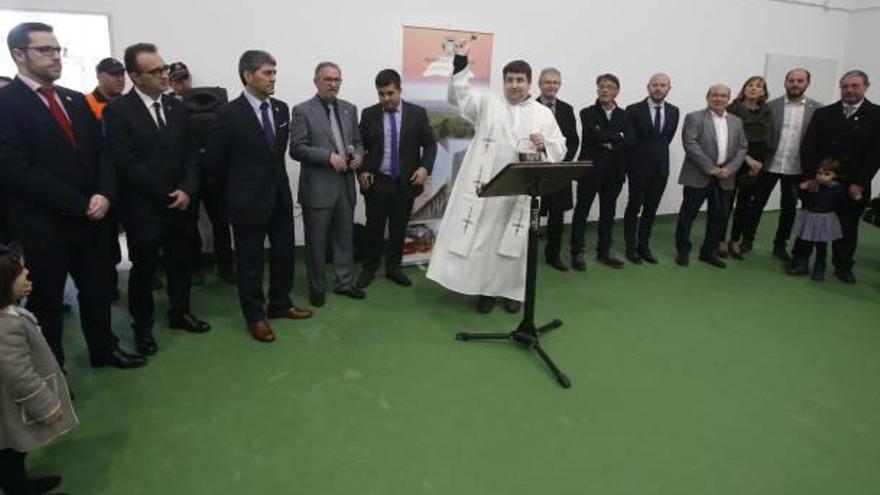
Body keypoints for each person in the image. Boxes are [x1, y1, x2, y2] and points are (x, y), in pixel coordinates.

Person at [0, 22, 144, 369]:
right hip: (43, 225)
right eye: (44, 50)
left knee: (97, 291)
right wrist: (81, 203)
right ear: (19, 54)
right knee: (48, 302)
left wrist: (104, 194)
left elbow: (103, 155)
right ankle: (54, 369)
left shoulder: (74, 100)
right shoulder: (6, 104)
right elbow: (18, 170)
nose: (54, 57)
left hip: (93, 219)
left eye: (57, 49)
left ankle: (104, 349)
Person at [426, 39, 566, 314]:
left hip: (520, 190)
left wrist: (545, 145)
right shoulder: (488, 102)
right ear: (503, 82)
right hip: (488, 187)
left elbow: (560, 147)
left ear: (529, 83)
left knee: (514, 244)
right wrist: (462, 62)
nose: (514, 85)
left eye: (520, 80)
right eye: (510, 80)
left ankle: (513, 292)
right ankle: (486, 291)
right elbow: (459, 97)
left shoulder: (542, 114)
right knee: (485, 242)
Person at [103, 42, 210, 357]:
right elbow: (125, 162)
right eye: (156, 71)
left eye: (164, 69)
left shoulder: (180, 107)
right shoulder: (118, 112)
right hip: (143, 207)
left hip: (181, 204)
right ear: (135, 77)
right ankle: (143, 327)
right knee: (144, 270)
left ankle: (180, 313)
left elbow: (193, 154)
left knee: (181, 263)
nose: (165, 75)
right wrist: (165, 193)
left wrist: (188, 189)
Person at [205, 50, 312, 343]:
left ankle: (280, 303)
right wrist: (230, 198)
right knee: (250, 261)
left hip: (279, 196)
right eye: (267, 73)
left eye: (275, 73)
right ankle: (255, 316)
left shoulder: (280, 109)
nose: (273, 78)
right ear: (248, 75)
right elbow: (215, 164)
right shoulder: (227, 114)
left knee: (284, 253)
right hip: (246, 200)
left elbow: (275, 155)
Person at [0, 243, 76, 495]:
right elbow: (18, 375)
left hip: (8, 408)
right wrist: (46, 405)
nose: (27, 274)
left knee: (12, 451)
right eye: (20, 273)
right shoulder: (5, 328)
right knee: (11, 450)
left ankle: (18, 484)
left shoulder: (7, 314)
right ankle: (18, 489)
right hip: (8, 409)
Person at [290, 61, 365, 307]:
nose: (333, 84)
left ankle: (345, 283)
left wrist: (359, 158)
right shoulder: (302, 110)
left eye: (337, 80)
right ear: (316, 81)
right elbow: (297, 149)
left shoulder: (349, 109)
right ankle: (317, 287)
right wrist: (328, 157)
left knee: (345, 238)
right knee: (316, 242)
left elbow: (357, 141)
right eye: (328, 79)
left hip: (345, 186)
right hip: (317, 188)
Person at [356, 69, 437, 288]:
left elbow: (430, 144)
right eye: (381, 94)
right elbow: (359, 146)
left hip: (405, 182)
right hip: (377, 181)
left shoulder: (417, 114)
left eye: (390, 93)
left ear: (400, 90)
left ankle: (394, 268)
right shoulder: (369, 114)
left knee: (399, 228)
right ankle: (369, 268)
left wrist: (424, 168)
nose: (385, 99)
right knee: (374, 228)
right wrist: (362, 169)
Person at [800, 69, 880, 283]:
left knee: (847, 228)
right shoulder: (824, 114)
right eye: (845, 86)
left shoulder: (877, 115)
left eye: (855, 86)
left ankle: (843, 266)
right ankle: (803, 260)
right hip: (822, 182)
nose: (850, 90)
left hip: (853, 184)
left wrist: (859, 183)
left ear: (866, 87)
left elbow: (875, 154)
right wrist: (814, 176)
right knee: (813, 223)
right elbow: (809, 147)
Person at [745, 68, 821, 261]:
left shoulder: (818, 110)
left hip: (796, 168)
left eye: (800, 81)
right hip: (769, 164)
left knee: (788, 209)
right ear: (785, 82)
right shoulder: (771, 107)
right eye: (791, 80)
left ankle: (780, 245)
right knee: (756, 205)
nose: (795, 84)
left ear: (807, 83)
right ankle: (747, 240)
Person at [674, 84, 748, 269]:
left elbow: (742, 147)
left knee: (719, 217)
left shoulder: (736, 121)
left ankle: (708, 252)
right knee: (687, 215)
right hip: (699, 174)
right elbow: (690, 143)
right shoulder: (695, 117)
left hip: (725, 177)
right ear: (708, 97)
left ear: (729, 99)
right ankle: (683, 250)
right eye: (715, 95)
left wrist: (730, 169)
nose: (719, 98)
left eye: (723, 96)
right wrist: (711, 168)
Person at [570, 74, 634, 271]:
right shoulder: (586, 112)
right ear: (597, 90)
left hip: (614, 172)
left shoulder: (626, 115)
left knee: (608, 213)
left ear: (617, 91)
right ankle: (577, 251)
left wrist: (611, 139)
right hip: (590, 171)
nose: (605, 90)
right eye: (601, 87)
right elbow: (596, 136)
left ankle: (604, 251)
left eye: (610, 87)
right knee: (582, 212)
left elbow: (631, 140)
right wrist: (618, 136)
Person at [624, 73, 680, 264]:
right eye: (655, 85)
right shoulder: (633, 110)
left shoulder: (674, 111)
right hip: (638, 167)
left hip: (661, 168)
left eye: (663, 85)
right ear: (648, 87)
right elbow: (631, 140)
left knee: (651, 209)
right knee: (634, 207)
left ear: (669, 88)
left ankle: (644, 245)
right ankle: (630, 247)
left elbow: (666, 139)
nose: (658, 88)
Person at [721, 76, 776, 260]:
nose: (753, 88)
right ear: (744, 89)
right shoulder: (732, 109)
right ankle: (719, 240)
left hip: (757, 163)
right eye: (750, 85)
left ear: (763, 92)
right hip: (734, 159)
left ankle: (735, 240)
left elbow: (769, 138)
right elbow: (728, 138)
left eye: (758, 86)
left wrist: (759, 162)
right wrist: (747, 158)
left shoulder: (767, 112)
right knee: (726, 203)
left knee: (745, 205)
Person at [535, 67, 579, 271]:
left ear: (559, 85)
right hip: (535, 171)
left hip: (559, 171)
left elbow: (573, 140)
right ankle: (526, 256)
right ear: (539, 84)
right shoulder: (530, 107)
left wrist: (562, 162)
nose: (551, 86)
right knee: (531, 216)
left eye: (555, 82)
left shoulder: (567, 109)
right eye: (547, 82)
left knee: (557, 215)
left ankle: (553, 255)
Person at [785, 160, 846, 281]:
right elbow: (805, 199)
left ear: (835, 175)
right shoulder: (813, 184)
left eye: (827, 174)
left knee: (821, 246)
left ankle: (820, 267)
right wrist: (803, 189)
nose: (821, 177)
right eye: (819, 173)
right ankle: (802, 264)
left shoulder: (838, 189)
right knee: (805, 243)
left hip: (824, 220)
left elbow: (841, 204)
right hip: (810, 217)